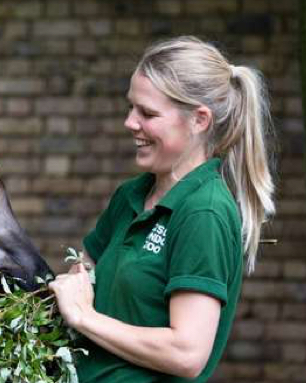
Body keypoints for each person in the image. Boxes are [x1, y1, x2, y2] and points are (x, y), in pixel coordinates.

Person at [48, 36, 276, 382]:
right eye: (131, 107)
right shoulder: (130, 196)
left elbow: (187, 353)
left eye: (148, 113)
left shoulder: (204, 212)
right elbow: (81, 278)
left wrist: (83, 318)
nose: (130, 123)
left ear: (199, 120)